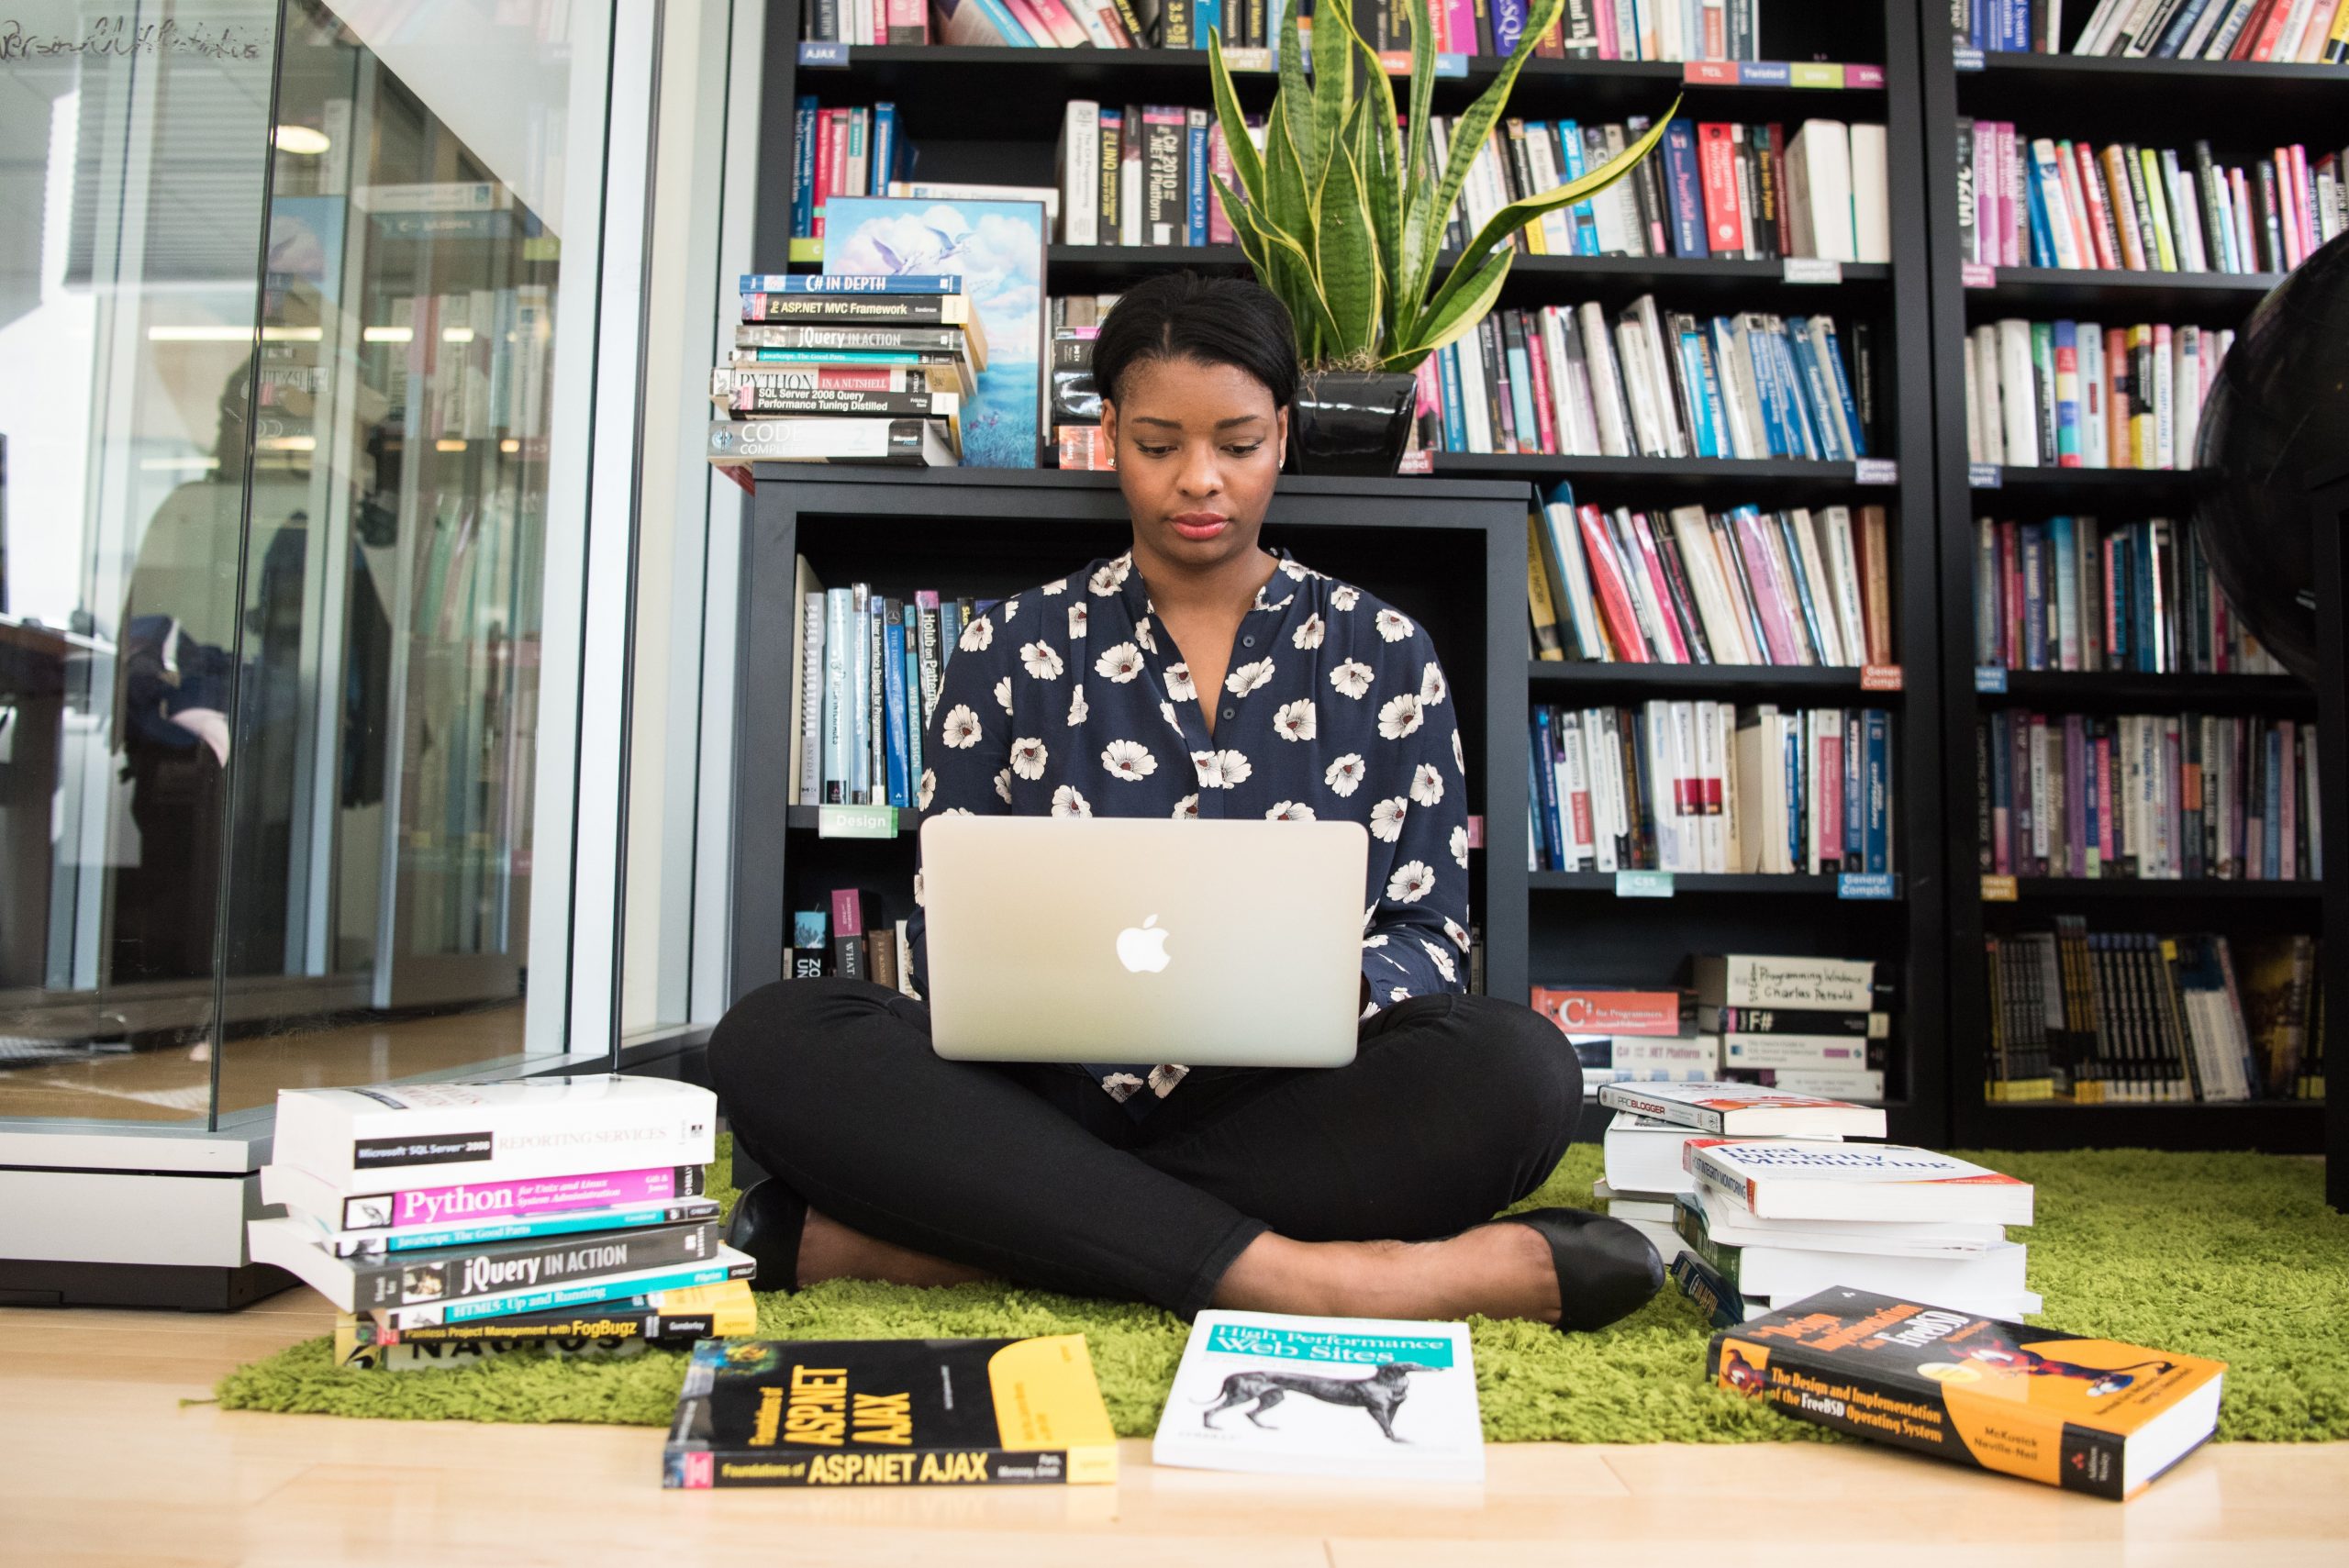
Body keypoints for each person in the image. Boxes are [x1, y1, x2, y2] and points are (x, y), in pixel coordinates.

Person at [710, 272, 1662, 1330]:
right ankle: (1334, 1279)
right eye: (1158, 444)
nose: (1199, 480)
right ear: (1106, 431)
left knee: (1521, 1071)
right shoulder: (1009, 644)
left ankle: (963, 1241)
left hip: (1283, 1103)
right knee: (774, 1034)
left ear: (1285, 433)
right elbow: (954, 933)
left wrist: (1316, 987)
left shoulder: (1385, 650)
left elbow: (1432, 930)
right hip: (1035, 1094)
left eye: (1238, 443)